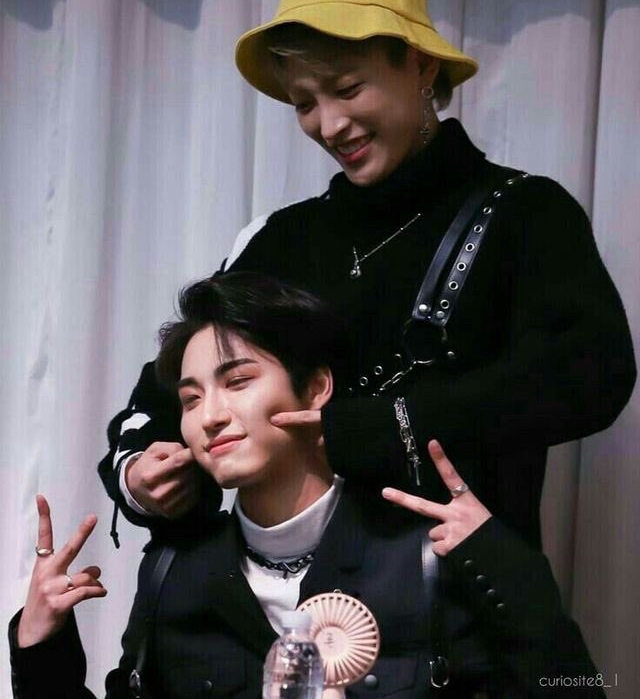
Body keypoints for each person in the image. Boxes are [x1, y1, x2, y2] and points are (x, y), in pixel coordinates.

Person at [99, 0, 636, 551]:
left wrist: (394, 425)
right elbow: (170, 395)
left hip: (457, 595)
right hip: (278, 603)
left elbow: (592, 375)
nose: (329, 126)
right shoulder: (278, 239)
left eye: (349, 89)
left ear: (421, 67)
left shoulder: (524, 212)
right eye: (305, 103)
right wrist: (144, 476)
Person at [11, 273, 605, 698]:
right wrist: (40, 642)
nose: (210, 416)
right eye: (190, 400)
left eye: (237, 382)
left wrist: (505, 566)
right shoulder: (175, 571)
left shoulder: (426, 555)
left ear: (316, 389)